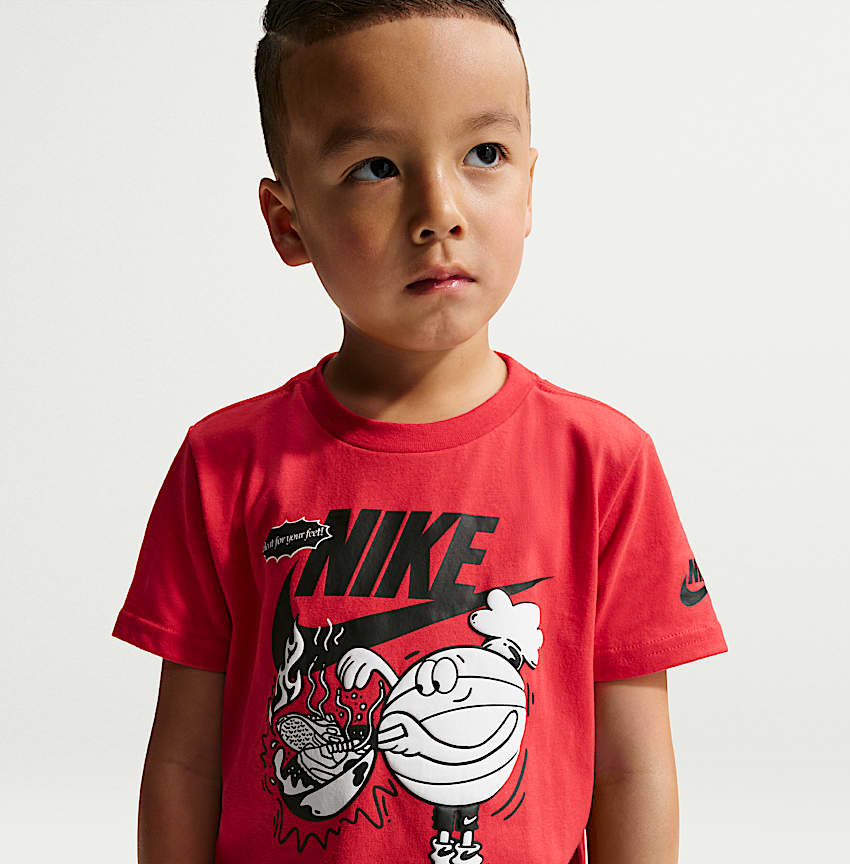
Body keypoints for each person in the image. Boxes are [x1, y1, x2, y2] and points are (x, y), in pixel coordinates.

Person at [112, 2, 728, 863]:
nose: (439, 211)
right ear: (289, 223)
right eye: (375, 167)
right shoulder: (223, 465)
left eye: (485, 154)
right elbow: (184, 764)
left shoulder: (605, 464)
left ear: (529, 186)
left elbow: (631, 769)